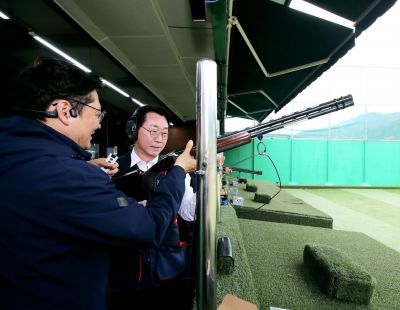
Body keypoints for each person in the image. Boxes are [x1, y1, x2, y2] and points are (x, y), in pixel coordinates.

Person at [0, 57, 196, 310]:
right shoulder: (69, 176)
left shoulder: (17, 155)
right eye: (96, 113)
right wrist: (178, 171)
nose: (99, 123)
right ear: (65, 111)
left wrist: (81, 169)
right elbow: (149, 228)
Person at [109, 105, 197, 309]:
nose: (159, 138)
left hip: (166, 269)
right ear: (134, 130)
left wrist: (212, 175)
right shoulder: (113, 168)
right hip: (122, 270)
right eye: (153, 131)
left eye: (164, 133)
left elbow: (188, 213)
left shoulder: (175, 169)